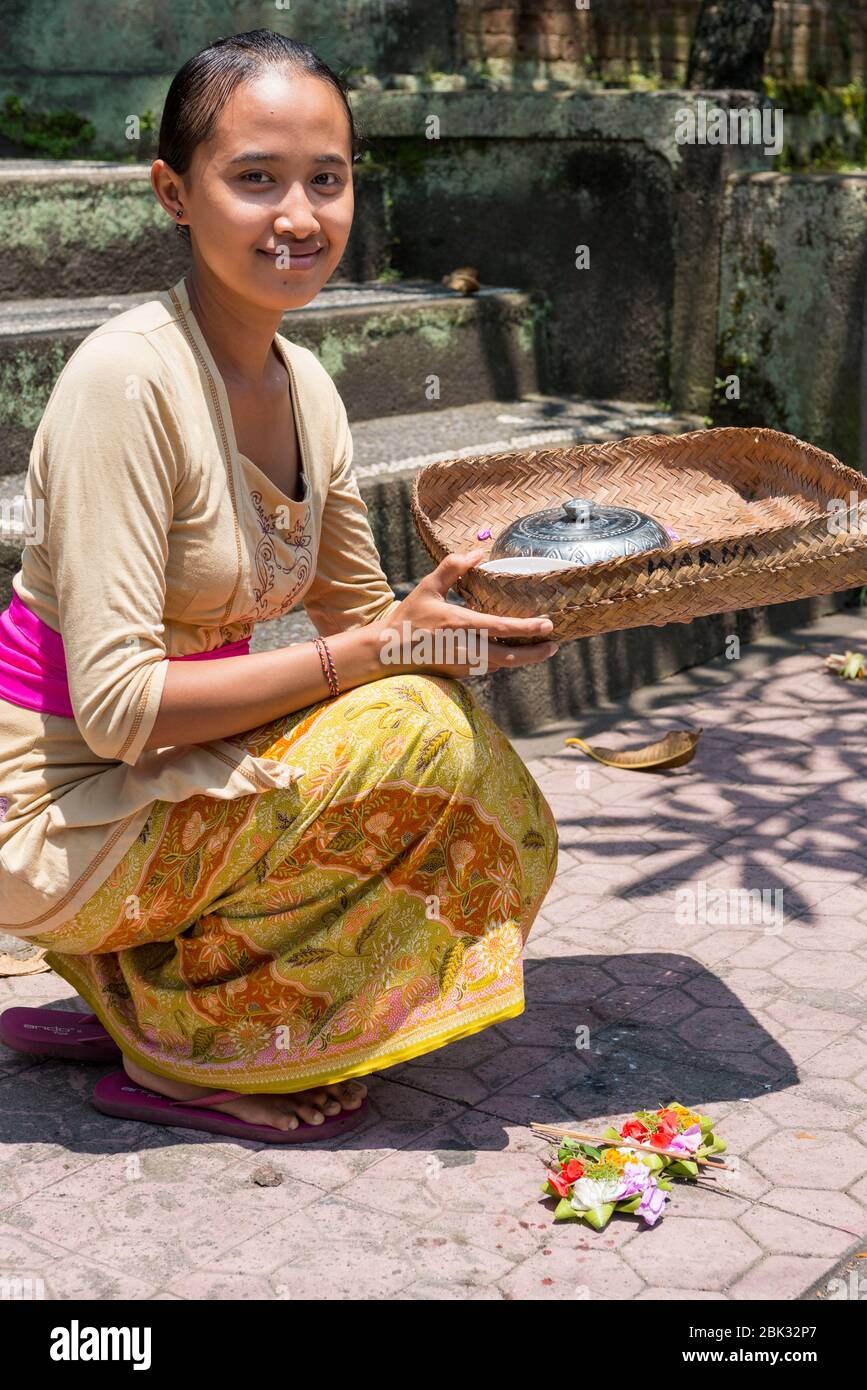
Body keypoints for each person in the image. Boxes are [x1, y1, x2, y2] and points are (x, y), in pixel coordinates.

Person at [0, 29, 559, 1142]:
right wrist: (381, 655)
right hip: (51, 811)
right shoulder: (126, 380)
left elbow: (367, 619)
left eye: (327, 179)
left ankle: (149, 994)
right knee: (418, 736)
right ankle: (184, 1049)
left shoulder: (307, 385)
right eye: (254, 178)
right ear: (174, 190)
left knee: (464, 750)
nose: (298, 216)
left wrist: (471, 634)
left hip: (169, 780)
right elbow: (115, 714)